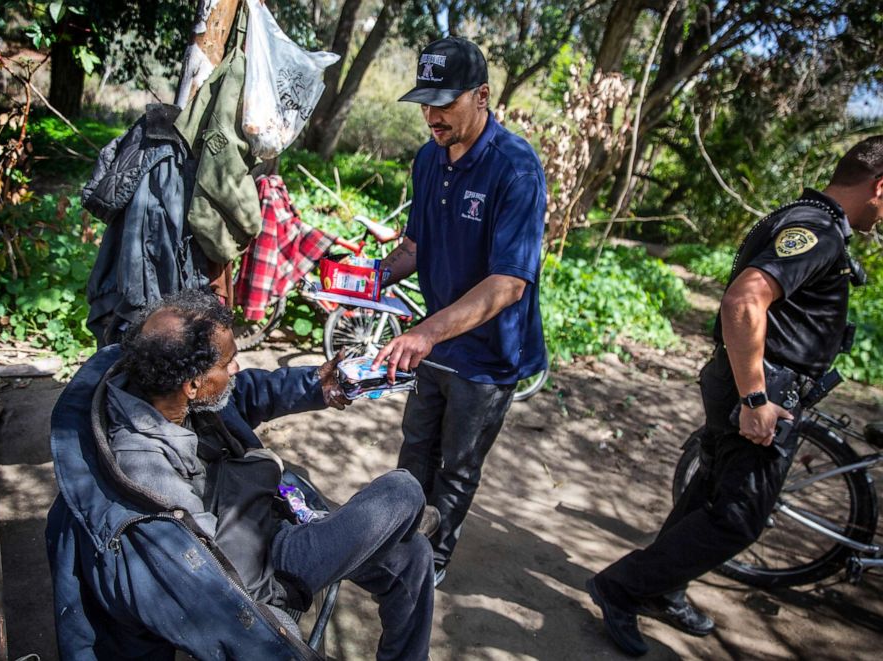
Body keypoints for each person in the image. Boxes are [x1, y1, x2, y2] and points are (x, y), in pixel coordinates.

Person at [586, 136, 883, 656]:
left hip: (747, 379)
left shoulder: (808, 217)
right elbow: (744, 301)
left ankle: (663, 587)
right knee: (740, 517)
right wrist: (755, 400)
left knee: (709, 494)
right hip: (762, 389)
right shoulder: (817, 230)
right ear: (880, 186)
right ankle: (622, 588)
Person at [49, 288, 436, 661]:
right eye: (227, 363)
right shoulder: (145, 473)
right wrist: (272, 629)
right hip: (262, 572)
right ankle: (395, 523)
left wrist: (318, 383)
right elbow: (217, 588)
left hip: (265, 517)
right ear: (194, 384)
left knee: (412, 555)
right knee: (402, 490)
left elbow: (247, 391)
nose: (235, 367)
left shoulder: (165, 389)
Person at [372, 37, 548, 586]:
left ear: (482, 96)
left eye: (444, 103)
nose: (431, 116)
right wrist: (369, 275)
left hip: (489, 355)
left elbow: (508, 283)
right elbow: (417, 245)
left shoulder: (515, 170)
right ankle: (399, 536)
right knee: (415, 449)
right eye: (425, 102)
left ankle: (434, 556)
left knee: (457, 465)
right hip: (437, 343)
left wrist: (424, 333)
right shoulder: (429, 158)